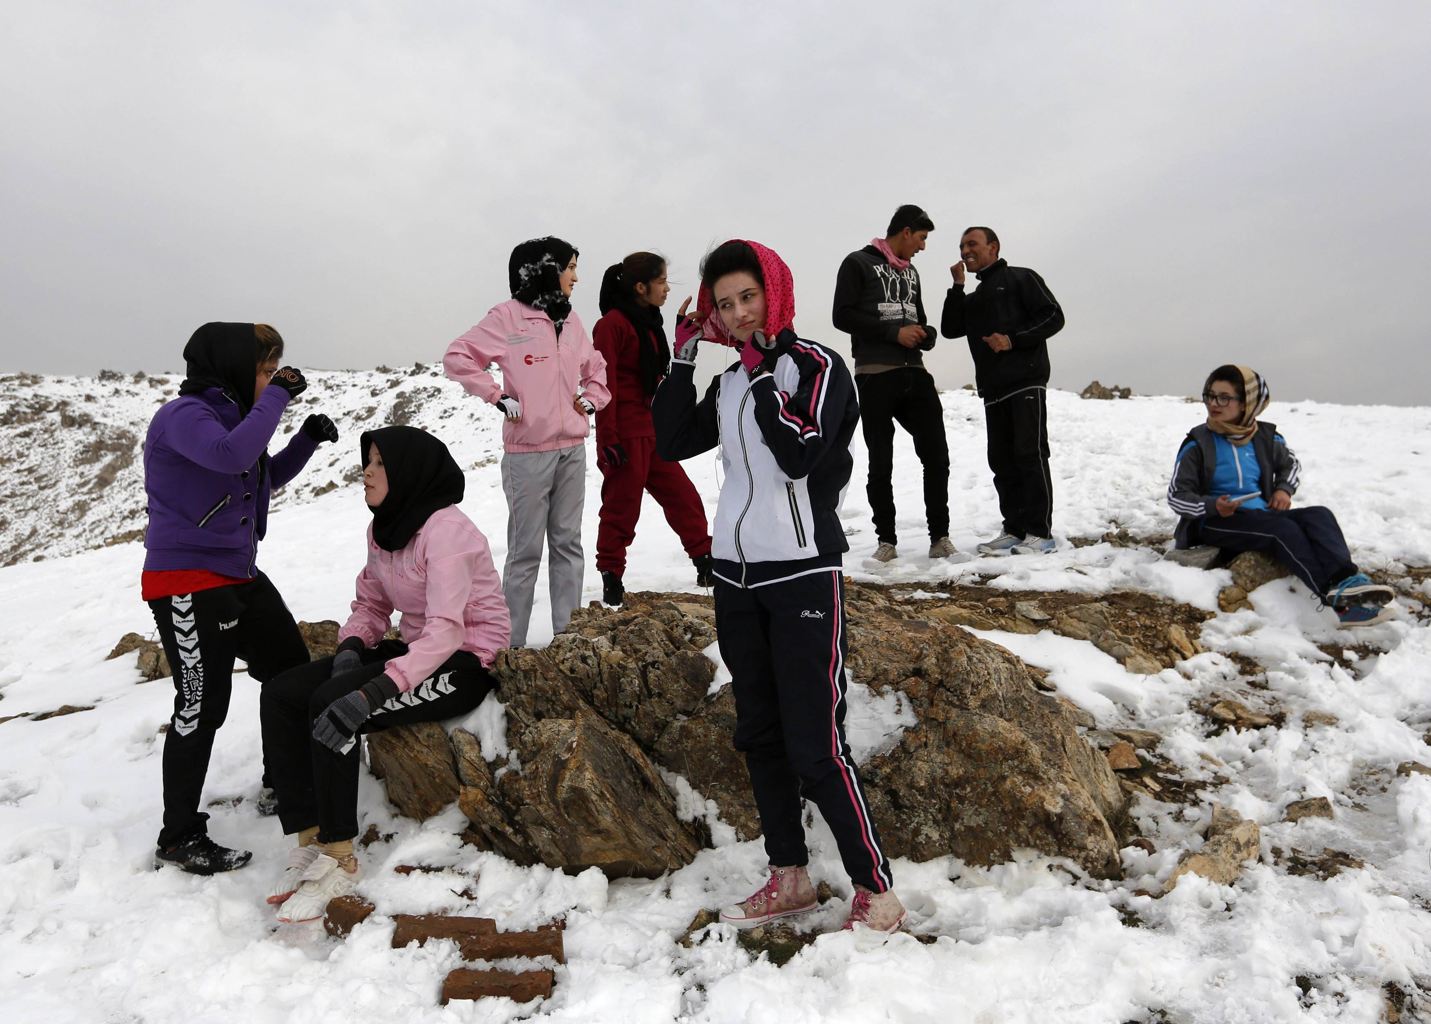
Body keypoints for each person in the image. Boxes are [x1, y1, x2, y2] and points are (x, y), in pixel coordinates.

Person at [653, 239, 905, 934]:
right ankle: (787, 877)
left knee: (816, 745)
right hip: (735, 576)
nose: (735, 315)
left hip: (801, 571)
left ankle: (875, 891)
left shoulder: (817, 367)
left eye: (746, 298)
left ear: (775, 292)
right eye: (722, 305)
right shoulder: (730, 379)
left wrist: (766, 372)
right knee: (759, 735)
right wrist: (682, 356)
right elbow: (672, 439)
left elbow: (796, 453)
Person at [260, 426, 509, 922]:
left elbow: (445, 631)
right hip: (420, 647)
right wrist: (354, 645)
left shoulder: (448, 533)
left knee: (336, 708)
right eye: (366, 461)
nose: (366, 472)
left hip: (465, 659)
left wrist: (374, 689)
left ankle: (339, 856)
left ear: (408, 471)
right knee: (282, 693)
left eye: (378, 463)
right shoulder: (385, 527)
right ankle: (309, 837)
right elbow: (371, 602)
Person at [143, 322, 338, 874]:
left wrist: (307, 440)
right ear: (233, 366)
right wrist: (279, 397)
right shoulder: (184, 418)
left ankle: (282, 780)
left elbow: (261, 473)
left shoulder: (231, 420)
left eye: (275, 371)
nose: (271, 380)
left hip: (237, 573)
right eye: (265, 370)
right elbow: (231, 457)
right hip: (186, 580)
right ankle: (178, 835)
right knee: (202, 705)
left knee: (287, 668)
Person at [444, 237, 610, 646]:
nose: (576, 276)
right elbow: (458, 356)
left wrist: (589, 402)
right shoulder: (507, 318)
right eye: (570, 267)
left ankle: (568, 639)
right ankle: (507, 645)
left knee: (568, 544)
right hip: (527, 455)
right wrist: (496, 395)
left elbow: (596, 368)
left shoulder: (571, 321)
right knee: (525, 553)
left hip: (571, 449)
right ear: (544, 270)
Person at [1168, 365, 1395, 626]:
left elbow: (1291, 466)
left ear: (1247, 404)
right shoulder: (1198, 443)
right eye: (1210, 395)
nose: (1213, 404)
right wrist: (1212, 506)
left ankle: (1347, 580)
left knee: (1319, 515)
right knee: (1281, 530)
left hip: (1259, 515)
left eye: (1224, 397)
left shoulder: (1266, 438)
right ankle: (1338, 603)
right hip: (1213, 522)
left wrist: (1283, 489)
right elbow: (1177, 496)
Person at [833, 204, 963, 564]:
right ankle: (886, 541)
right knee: (882, 460)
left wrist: (926, 335)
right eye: (921, 238)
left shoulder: (912, 272)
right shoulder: (857, 262)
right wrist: (894, 333)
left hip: (915, 372)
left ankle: (940, 537)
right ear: (906, 232)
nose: (922, 247)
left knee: (937, 455)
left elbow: (916, 317)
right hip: (874, 374)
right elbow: (841, 315)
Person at [592, 253, 714, 605]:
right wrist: (608, 441)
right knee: (622, 508)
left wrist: (680, 335)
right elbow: (605, 386)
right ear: (640, 287)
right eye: (661, 281)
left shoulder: (649, 323)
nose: (666, 288)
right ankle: (611, 578)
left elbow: (659, 375)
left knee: (683, 497)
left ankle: (705, 561)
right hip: (625, 434)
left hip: (652, 428)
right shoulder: (611, 326)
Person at [940, 226, 1065, 555]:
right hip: (993, 389)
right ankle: (1015, 528)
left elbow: (1054, 316)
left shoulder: (1021, 278)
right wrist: (957, 286)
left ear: (993, 247)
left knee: (1029, 454)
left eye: (973, 244)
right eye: (962, 245)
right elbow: (951, 329)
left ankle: (1041, 533)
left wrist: (1011, 339)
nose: (966, 250)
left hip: (1025, 381)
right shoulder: (976, 296)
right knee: (1002, 460)